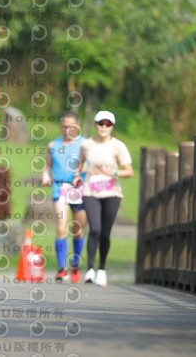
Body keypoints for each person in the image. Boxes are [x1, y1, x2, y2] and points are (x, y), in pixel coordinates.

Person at [72, 111, 133, 286]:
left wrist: (114, 172)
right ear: (96, 124)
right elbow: (80, 162)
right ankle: (90, 269)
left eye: (108, 124)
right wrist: (77, 175)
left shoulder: (118, 146)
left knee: (105, 233)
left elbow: (129, 171)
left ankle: (102, 269)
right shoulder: (87, 144)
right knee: (95, 229)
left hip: (112, 193)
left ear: (112, 127)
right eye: (101, 123)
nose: (104, 127)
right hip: (90, 191)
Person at [42, 111, 87, 283]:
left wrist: (79, 172)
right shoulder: (53, 145)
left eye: (71, 127)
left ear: (78, 126)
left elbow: (89, 165)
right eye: (64, 126)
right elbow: (47, 166)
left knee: (78, 229)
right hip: (59, 187)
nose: (67, 130)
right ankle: (62, 268)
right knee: (61, 227)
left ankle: (75, 263)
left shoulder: (85, 144)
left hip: (79, 188)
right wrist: (45, 176)